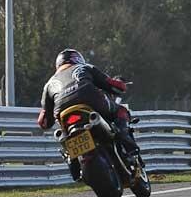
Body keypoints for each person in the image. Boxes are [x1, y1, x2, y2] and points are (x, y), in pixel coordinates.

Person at [37, 49, 139, 180]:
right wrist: (121, 86)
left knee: (64, 135)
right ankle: (127, 143)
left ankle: (72, 162)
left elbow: (44, 121)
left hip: (62, 111)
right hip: (90, 99)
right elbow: (113, 85)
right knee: (121, 110)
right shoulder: (84, 67)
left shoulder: (49, 84)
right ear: (77, 59)